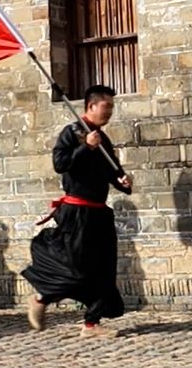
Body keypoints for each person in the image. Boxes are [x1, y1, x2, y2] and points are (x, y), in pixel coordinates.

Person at [22, 85, 133, 337]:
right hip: (77, 211)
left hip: (99, 213)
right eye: (106, 107)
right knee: (75, 266)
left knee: (104, 269)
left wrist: (122, 183)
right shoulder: (72, 132)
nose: (110, 112)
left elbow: (112, 171)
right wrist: (86, 147)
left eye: (112, 108)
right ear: (91, 106)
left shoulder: (102, 138)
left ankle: (91, 323)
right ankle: (42, 297)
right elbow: (60, 164)